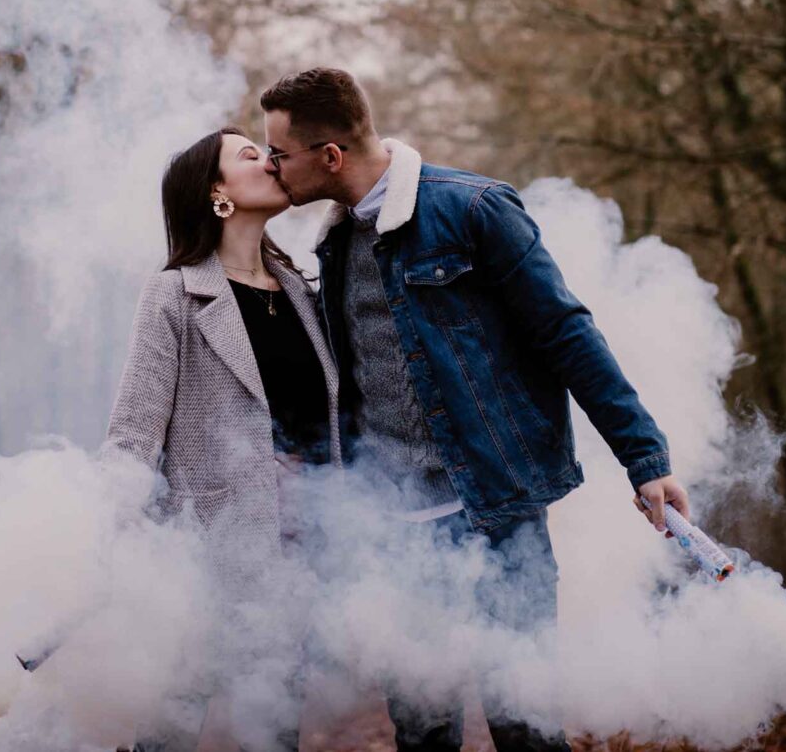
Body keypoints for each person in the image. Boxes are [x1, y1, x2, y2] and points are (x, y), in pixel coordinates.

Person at [259, 68, 690, 752]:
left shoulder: (474, 209)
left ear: (330, 156)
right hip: (393, 530)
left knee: (523, 722)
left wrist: (646, 460)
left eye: (279, 154)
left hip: (495, 513)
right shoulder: (334, 245)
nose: (272, 168)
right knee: (420, 729)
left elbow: (567, 334)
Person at [103, 127, 343, 752]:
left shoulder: (302, 289)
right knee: (171, 727)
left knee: (276, 726)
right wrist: (112, 542)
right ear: (217, 194)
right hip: (202, 553)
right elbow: (133, 434)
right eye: (248, 155)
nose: (269, 159)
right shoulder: (174, 293)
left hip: (296, 550)